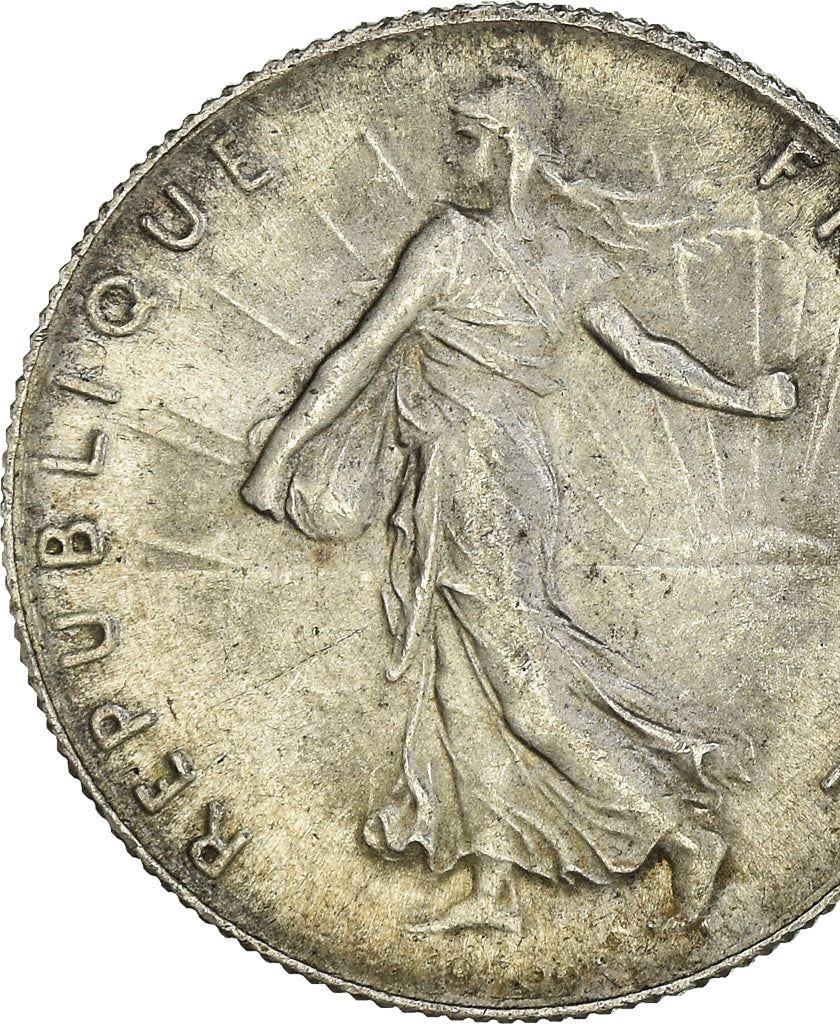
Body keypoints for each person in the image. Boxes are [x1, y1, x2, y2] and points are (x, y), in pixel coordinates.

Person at [242, 69, 796, 935]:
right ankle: (495, 890)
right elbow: (648, 355)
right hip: (509, 475)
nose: (451, 154)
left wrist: (278, 458)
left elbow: (359, 353)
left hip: (472, 478)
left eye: (467, 137)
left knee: (525, 691)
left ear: (508, 150)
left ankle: (680, 833)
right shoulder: (564, 257)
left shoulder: (450, 245)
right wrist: (747, 399)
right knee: (459, 683)